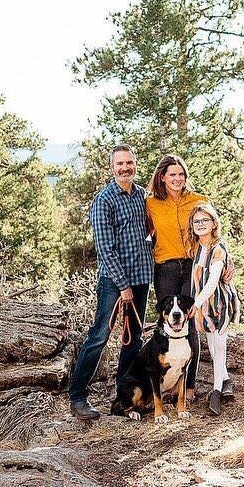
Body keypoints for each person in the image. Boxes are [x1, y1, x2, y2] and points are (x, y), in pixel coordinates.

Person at [69, 144, 152, 420]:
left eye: (129, 162)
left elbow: (149, 232)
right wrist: (123, 286)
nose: (125, 167)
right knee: (99, 337)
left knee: (134, 340)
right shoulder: (104, 201)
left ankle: (122, 401)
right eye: (120, 164)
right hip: (114, 282)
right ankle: (78, 397)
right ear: (112, 167)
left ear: (135, 163)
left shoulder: (142, 195)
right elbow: (105, 250)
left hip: (141, 278)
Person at [145, 155, 207, 403]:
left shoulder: (198, 201)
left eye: (181, 174)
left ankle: (188, 387)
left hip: (192, 266)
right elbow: (142, 234)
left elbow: (211, 232)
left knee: (190, 321)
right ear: (162, 177)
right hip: (164, 269)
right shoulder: (150, 204)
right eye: (172, 174)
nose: (177, 179)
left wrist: (226, 260)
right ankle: (164, 380)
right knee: (167, 323)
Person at [186, 202, 239, 416]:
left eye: (204, 220)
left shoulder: (218, 248)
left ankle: (216, 393)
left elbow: (212, 282)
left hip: (218, 303)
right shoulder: (198, 246)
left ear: (213, 223)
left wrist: (194, 304)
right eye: (196, 221)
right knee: (210, 341)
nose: (200, 224)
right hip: (204, 304)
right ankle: (225, 383)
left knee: (219, 347)